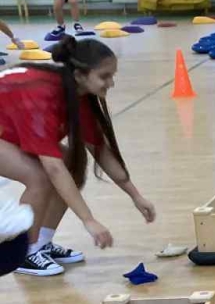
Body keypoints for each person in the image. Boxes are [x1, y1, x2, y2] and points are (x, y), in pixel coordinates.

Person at [0, 37, 155, 278]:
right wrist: (88, 220)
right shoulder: (42, 95)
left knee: (72, 166)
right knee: (39, 177)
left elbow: (100, 150)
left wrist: (136, 196)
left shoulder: (75, 93)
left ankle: (41, 242)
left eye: (112, 76)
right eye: (104, 76)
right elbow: (52, 168)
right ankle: (23, 252)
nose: (111, 83)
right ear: (80, 74)